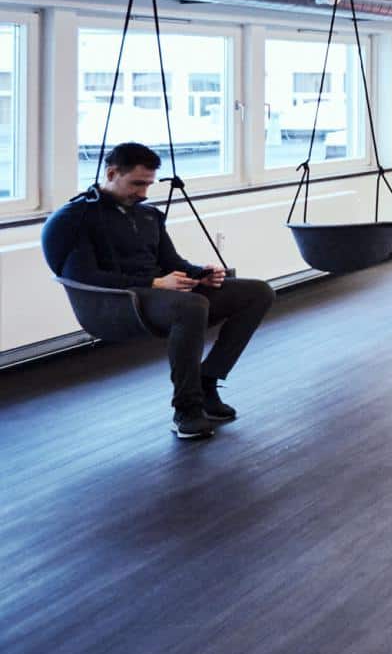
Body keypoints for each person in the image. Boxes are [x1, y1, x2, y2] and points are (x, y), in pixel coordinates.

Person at [41, 142, 276, 441]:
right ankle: (186, 409)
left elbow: (172, 262)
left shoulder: (148, 214)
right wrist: (154, 284)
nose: (143, 193)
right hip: (115, 304)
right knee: (191, 306)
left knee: (258, 292)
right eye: (137, 183)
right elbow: (83, 275)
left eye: (148, 184)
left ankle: (207, 381)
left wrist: (200, 274)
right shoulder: (74, 218)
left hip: (159, 296)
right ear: (112, 172)